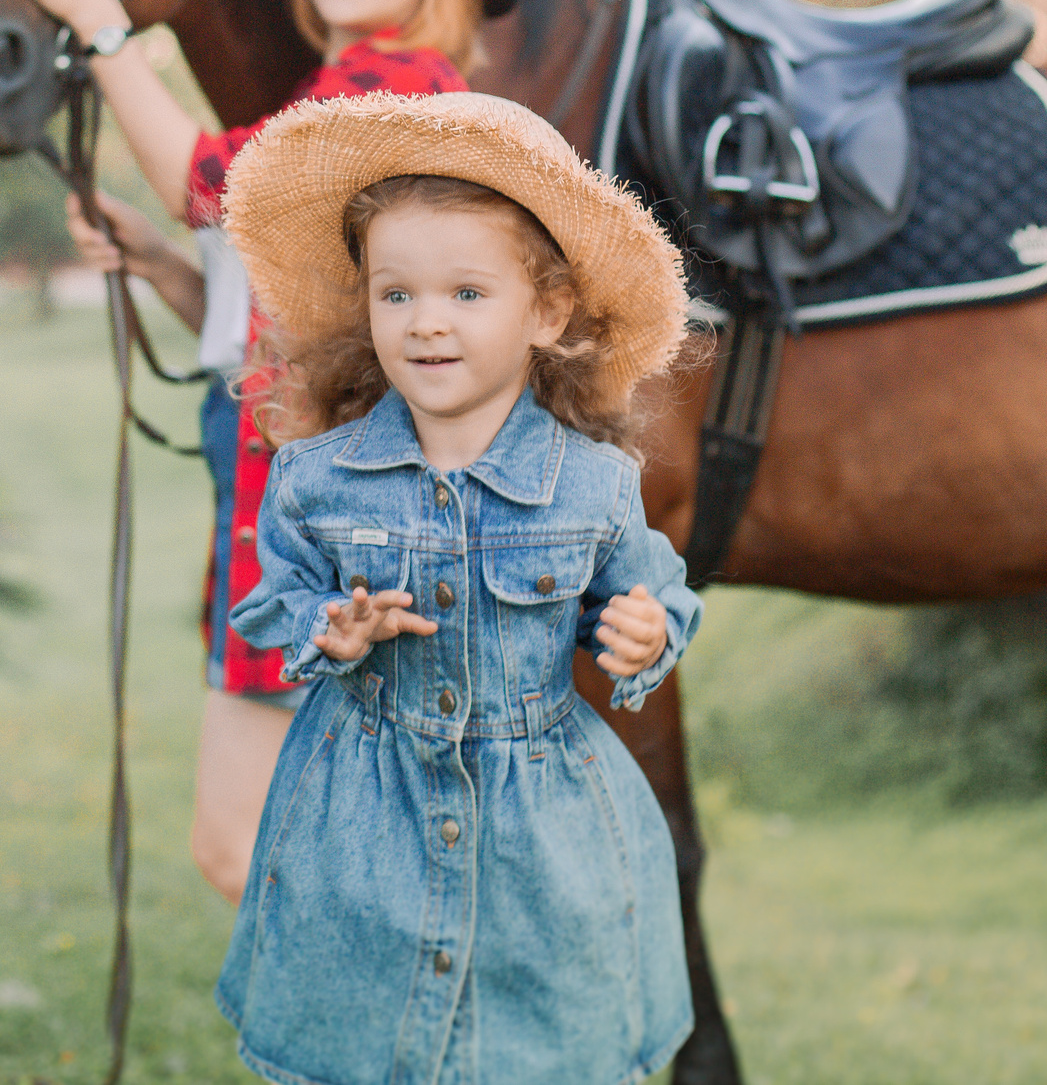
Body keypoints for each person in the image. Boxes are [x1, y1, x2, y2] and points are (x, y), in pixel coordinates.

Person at [0, 0, 520, 903]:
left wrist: (98, 19)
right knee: (308, 852)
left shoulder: (390, 88)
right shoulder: (335, 90)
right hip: (293, 502)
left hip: (315, 525)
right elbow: (287, 337)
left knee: (255, 854)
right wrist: (169, 272)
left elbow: (205, 183)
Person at [212, 90, 702, 1085]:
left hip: (542, 834)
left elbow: (650, 597)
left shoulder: (595, 485)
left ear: (547, 310)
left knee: (533, 1052)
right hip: (359, 818)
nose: (426, 323)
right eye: (397, 295)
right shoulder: (316, 477)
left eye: (465, 295)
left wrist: (645, 633)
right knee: (365, 1044)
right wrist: (330, 630)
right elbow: (281, 597)